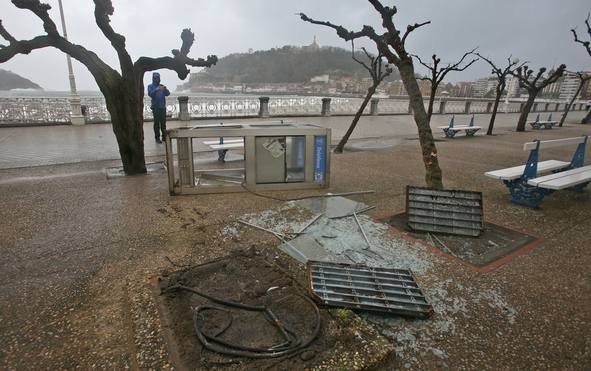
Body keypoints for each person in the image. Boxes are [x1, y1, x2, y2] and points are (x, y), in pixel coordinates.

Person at [147, 72, 170, 143]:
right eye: (155, 78)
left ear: (159, 78)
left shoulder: (161, 86)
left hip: (162, 107)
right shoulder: (150, 86)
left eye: (158, 78)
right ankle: (157, 138)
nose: (157, 79)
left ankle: (164, 137)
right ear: (153, 78)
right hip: (155, 107)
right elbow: (150, 94)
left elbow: (168, 94)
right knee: (156, 123)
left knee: (163, 123)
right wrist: (156, 90)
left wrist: (165, 89)